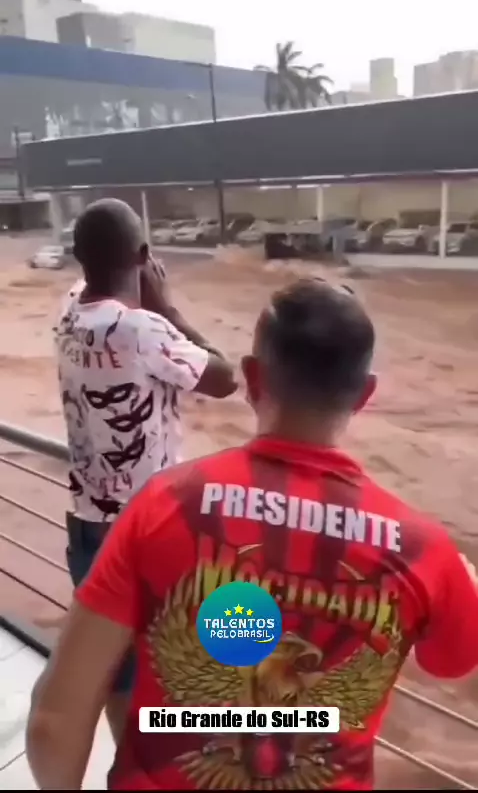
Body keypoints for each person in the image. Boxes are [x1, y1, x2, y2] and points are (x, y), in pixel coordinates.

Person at [27, 278, 478, 791]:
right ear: (365, 394)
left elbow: (53, 722)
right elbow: (451, 662)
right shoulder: (422, 548)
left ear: (252, 377)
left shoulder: (164, 506)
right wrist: (463, 584)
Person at [53, 198, 237, 743]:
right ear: (143, 256)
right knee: (172, 663)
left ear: (79, 256)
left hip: (88, 526)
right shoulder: (144, 330)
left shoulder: (69, 310)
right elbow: (225, 378)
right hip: (145, 533)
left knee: (118, 669)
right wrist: (168, 306)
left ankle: (125, 760)